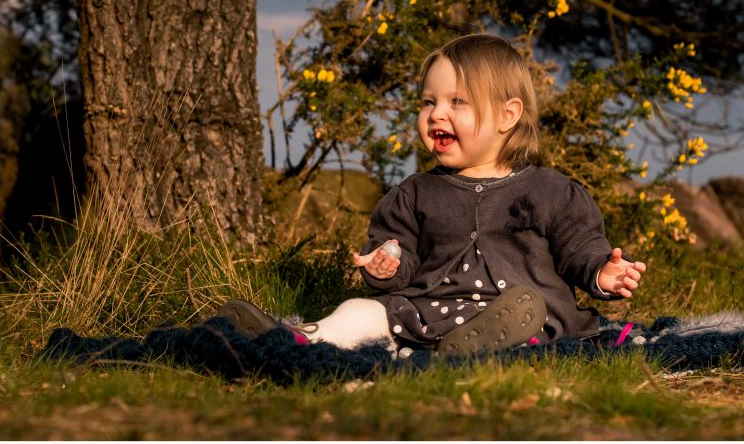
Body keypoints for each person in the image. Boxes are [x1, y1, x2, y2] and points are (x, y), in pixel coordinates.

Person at [221, 34, 646, 356]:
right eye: (428, 102)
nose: (435, 114)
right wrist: (387, 264)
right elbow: (398, 254)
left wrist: (600, 274)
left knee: (527, 311)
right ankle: (300, 338)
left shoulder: (551, 190)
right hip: (429, 313)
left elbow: (581, 246)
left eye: (457, 101)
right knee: (360, 311)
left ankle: (486, 350)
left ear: (507, 115)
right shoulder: (414, 194)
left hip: (525, 314)